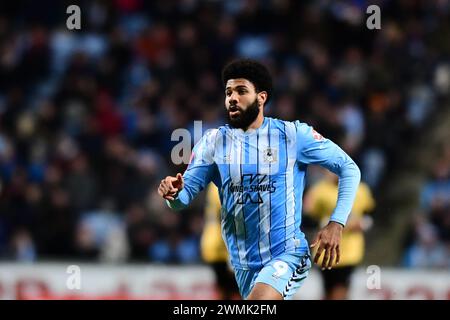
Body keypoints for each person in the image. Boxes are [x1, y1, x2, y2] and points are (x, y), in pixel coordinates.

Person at [158, 58, 361, 300]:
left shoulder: (293, 135)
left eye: (241, 91)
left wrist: (336, 223)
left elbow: (349, 168)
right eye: (228, 92)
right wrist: (173, 193)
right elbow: (182, 199)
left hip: (286, 255)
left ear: (261, 98)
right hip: (242, 264)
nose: (232, 97)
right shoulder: (213, 143)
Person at [304, 169, 375, 299]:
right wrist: (326, 224)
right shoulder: (319, 190)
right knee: (328, 289)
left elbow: (369, 216)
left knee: (340, 289)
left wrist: (363, 224)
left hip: (350, 250)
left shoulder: (361, 190)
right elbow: (309, 218)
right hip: (325, 248)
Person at [200, 183, 240, 299]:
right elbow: (225, 214)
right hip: (223, 245)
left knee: (225, 289)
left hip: (211, 242)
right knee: (239, 289)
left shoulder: (213, 183)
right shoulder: (224, 181)